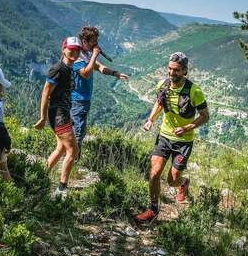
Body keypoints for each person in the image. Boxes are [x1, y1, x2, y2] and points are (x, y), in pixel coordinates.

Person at [135, 52, 210, 223]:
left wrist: (187, 127)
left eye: (176, 70)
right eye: (169, 69)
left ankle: (182, 184)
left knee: (172, 180)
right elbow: (160, 102)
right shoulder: (162, 85)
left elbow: (205, 116)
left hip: (184, 141)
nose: (171, 73)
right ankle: (153, 210)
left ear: (184, 71)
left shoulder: (194, 91)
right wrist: (150, 120)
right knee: (154, 173)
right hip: (164, 136)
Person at [34, 37, 82, 198]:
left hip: (64, 112)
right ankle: (62, 188)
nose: (75, 52)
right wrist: (42, 117)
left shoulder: (69, 68)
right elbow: (46, 92)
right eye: (71, 49)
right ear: (64, 49)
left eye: (78, 50)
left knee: (61, 148)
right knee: (73, 150)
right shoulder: (58, 69)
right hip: (58, 114)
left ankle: (39, 177)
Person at [71, 26, 128, 156]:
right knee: (78, 131)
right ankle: (73, 160)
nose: (96, 44)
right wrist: (95, 55)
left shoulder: (86, 54)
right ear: (84, 41)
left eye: (97, 41)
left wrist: (115, 73)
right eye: (93, 42)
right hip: (77, 99)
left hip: (84, 99)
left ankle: (72, 157)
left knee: (80, 129)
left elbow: (99, 67)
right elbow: (85, 74)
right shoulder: (77, 55)